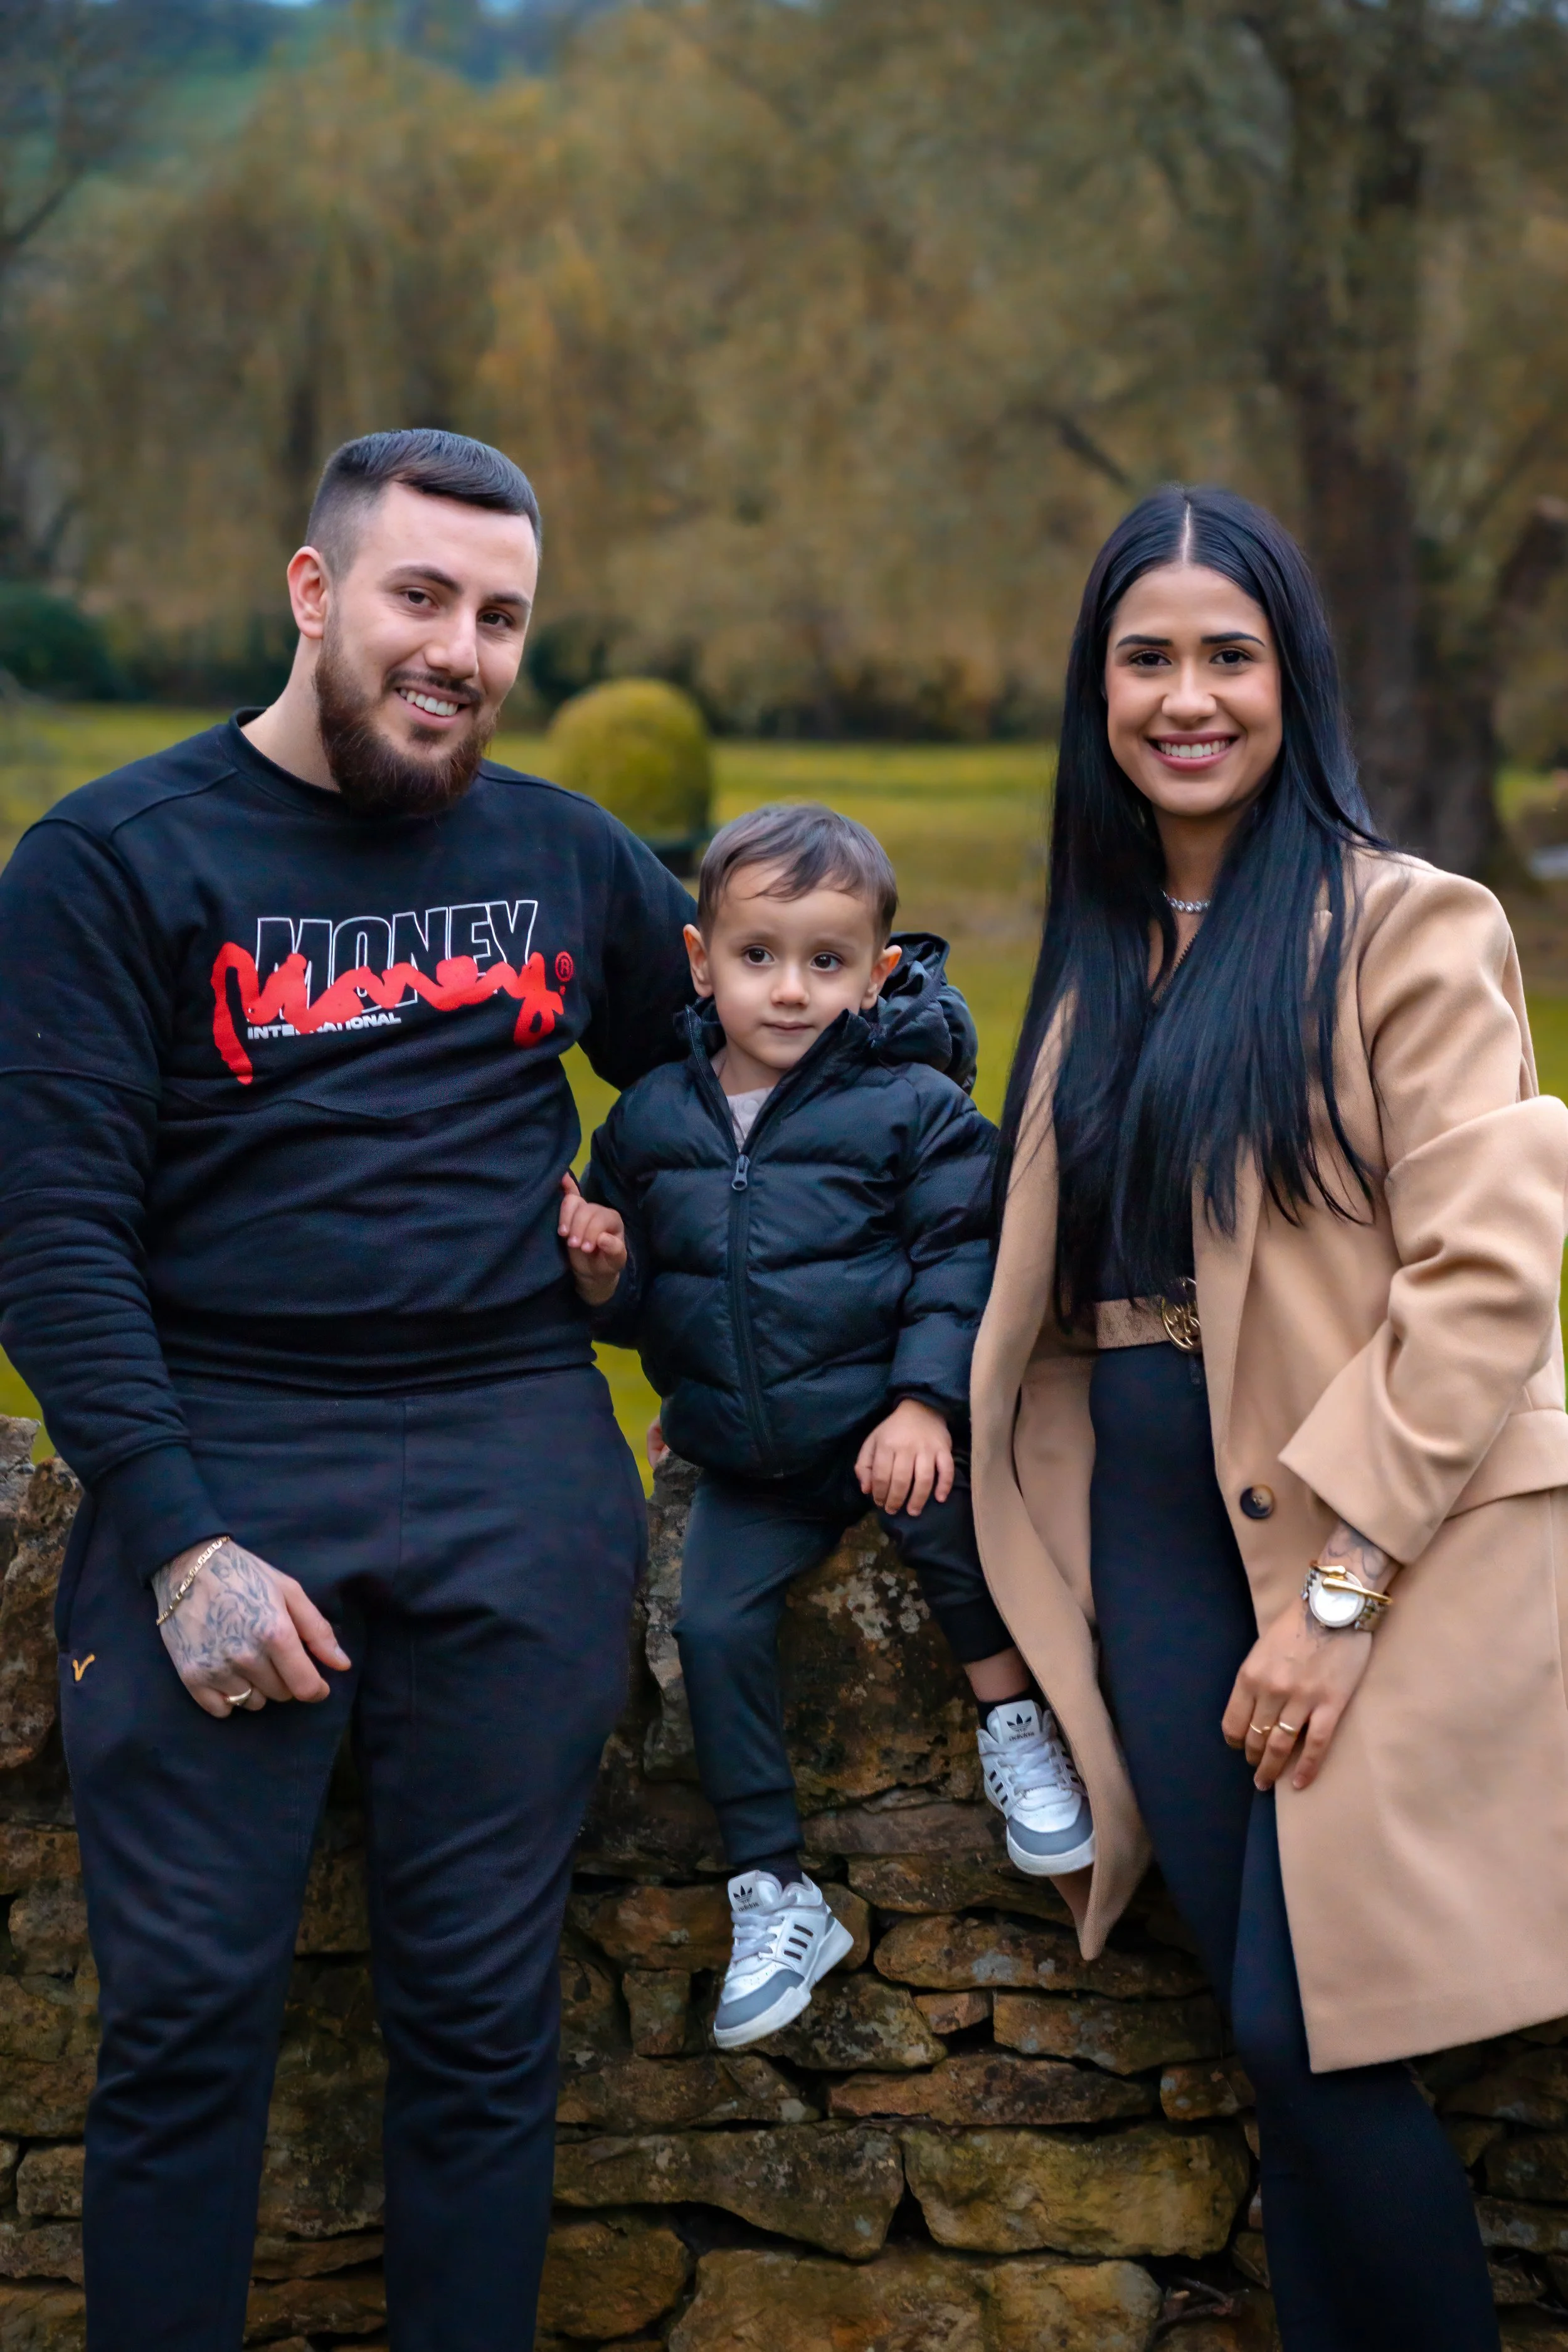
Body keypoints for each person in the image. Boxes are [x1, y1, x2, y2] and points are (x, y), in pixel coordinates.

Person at [0, 429, 699, 2351]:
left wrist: (649, 1274)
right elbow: (50, 1233)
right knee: (184, 2026)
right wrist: (178, 1541)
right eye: (421, 596)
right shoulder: (110, 862)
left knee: (482, 2025)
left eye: (501, 617)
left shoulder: (569, 855)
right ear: (313, 594)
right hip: (227, 1453)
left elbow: (734, 1095)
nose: (461, 650)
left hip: (516, 1460)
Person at [970, 481, 1568, 2350]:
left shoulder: (1407, 927)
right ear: (1096, 690)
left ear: (1289, 678)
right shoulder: (1096, 950)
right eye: (1142, 657)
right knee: (1278, 2039)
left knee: (1306, 2026)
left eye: (1225, 654)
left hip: (1374, 1534)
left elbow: (1487, 1277)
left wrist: (1343, 1586)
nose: (1184, 697)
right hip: (1150, 1543)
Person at [561, 802, 1094, 2050]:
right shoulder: (652, 1119)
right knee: (707, 1623)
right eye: (758, 956)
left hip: (877, 1420)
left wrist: (921, 1402)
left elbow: (961, 1259)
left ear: (875, 971)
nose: (790, 989)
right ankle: (774, 1888)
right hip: (750, 1455)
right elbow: (652, 1298)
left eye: (826, 961)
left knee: (948, 1525)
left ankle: (1014, 1725)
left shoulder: (910, 1108)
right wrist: (601, 1277)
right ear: (701, 961)